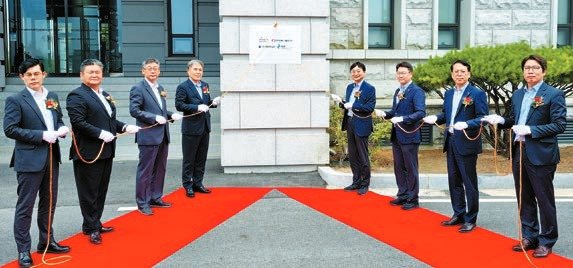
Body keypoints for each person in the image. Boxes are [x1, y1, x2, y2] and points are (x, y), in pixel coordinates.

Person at [482, 55, 566, 258]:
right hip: (519, 151)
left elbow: (559, 125)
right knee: (524, 197)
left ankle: (547, 240)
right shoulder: (518, 94)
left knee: (544, 199)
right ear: (523, 72)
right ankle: (530, 236)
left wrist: (531, 129)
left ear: (543, 71)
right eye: (527, 68)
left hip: (541, 154)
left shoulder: (553, 94)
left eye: (535, 68)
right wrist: (501, 120)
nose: (530, 71)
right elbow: (513, 119)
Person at [3, 58, 70, 267]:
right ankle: (23, 249)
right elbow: (10, 129)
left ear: (44, 75)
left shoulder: (52, 96)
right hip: (29, 159)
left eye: (36, 74)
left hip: (51, 157)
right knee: (26, 206)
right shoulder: (16, 100)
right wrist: (41, 135)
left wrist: (61, 129)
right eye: (28, 75)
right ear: (22, 77)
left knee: (49, 203)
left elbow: (56, 119)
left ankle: (46, 241)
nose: (33, 78)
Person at [66, 59, 139, 245]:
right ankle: (92, 227)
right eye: (90, 72)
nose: (95, 75)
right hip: (88, 152)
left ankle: (94, 222)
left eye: (98, 72)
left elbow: (109, 121)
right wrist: (100, 133)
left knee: (100, 190)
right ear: (82, 75)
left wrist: (124, 126)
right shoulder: (76, 95)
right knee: (88, 192)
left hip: (106, 150)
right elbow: (78, 123)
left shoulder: (104, 95)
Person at [423, 60, 487, 233]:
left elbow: (483, 118)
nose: (459, 74)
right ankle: (458, 213)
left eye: (463, 71)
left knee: (469, 182)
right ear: (452, 75)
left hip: (467, 142)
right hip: (451, 141)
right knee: (454, 180)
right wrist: (436, 118)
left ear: (469, 74)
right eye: (456, 72)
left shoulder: (477, 94)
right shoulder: (450, 93)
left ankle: (471, 218)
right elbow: (447, 114)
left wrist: (466, 124)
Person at [129, 58, 183, 216]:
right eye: (149, 68)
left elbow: (161, 111)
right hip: (148, 135)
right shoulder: (138, 88)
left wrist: (171, 115)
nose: (153, 71)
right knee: (145, 170)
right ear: (143, 71)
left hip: (163, 135)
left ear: (159, 71)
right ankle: (142, 202)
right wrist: (153, 118)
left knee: (160, 168)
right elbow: (135, 110)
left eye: (155, 68)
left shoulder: (160, 87)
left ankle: (155, 197)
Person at [375, 61, 426, 210]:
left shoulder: (416, 91)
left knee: (410, 168)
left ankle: (413, 198)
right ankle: (403, 194)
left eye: (403, 73)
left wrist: (403, 119)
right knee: (399, 167)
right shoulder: (398, 91)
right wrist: (385, 114)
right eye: (398, 73)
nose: (400, 75)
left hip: (409, 135)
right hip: (397, 135)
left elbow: (420, 113)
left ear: (411, 74)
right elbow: (395, 112)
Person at [175, 59, 220, 198]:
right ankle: (188, 185)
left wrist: (214, 103)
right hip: (191, 128)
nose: (198, 72)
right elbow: (179, 105)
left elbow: (206, 103)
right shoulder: (183, 87)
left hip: (205, 127)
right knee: (189, 159)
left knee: (201, 157)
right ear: (188, 71)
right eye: (195, 69)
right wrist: (196, 107)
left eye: (200, 70)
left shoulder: (205, 85)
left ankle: (198, 183)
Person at [332, 62, 376, 195]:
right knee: (352, 155)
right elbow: (347, 105)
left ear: (364, 72)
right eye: (353, 71)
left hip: (362, 123)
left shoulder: (369, 88)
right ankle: (356, 181)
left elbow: (370, 107)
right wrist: (341, 102)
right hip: (350, 122)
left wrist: (353, 106)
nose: (355, 74)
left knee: (362, 155)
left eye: (358, 71)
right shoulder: (350, 87)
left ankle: (365, 183)